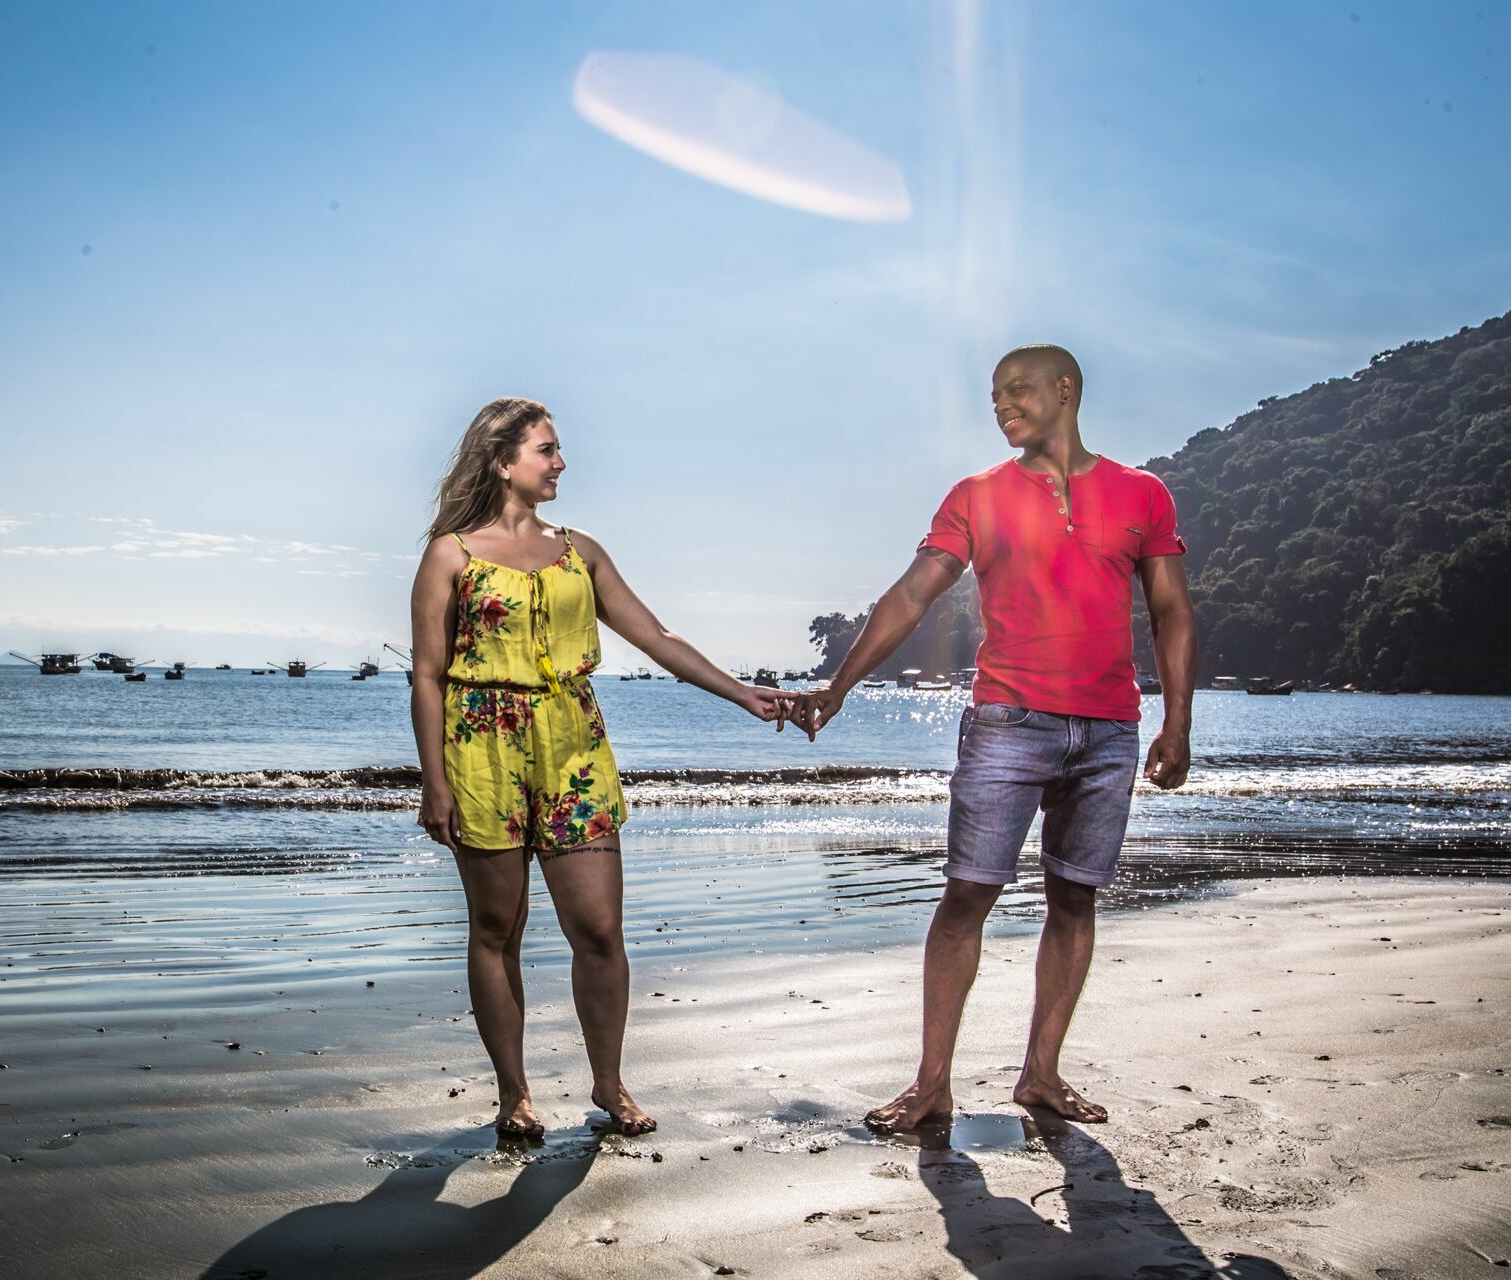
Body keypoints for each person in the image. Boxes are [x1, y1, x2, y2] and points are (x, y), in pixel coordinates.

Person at [791, 344, 1197, 1130]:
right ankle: (931, 1083)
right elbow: (913, 594)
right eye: (994, 396)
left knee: (1075, 898)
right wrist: (839, 686)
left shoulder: (1142, 493)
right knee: (969, 893)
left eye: (1018, 391)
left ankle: (1041, 1075)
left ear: (1066, 390)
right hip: (1008, 720)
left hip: (1111, 728)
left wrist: (1177, 720)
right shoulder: (976, 496)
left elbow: (1172, 610)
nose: (1003, 405)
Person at [409, 397, 793, 1140]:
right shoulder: (451, 553)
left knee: (600, 929)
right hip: (480, 746)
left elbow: (656, 636)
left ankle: (610, 1085)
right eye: (546, 450)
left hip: (573, 744)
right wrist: (435, 780)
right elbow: (427, 674)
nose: (559, 462)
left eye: (557, 450)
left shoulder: (580, 551)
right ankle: (515, 1094)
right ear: (502, 461)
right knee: (496, 928)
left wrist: (743, 694)